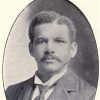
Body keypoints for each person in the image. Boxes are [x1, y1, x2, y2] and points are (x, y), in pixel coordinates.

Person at [6, 11, 96, 100]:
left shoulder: (90, 95)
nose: (49, 49)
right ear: (31, 49)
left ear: (72, 49)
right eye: (41, 41)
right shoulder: (11, 92)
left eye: (59, 41)